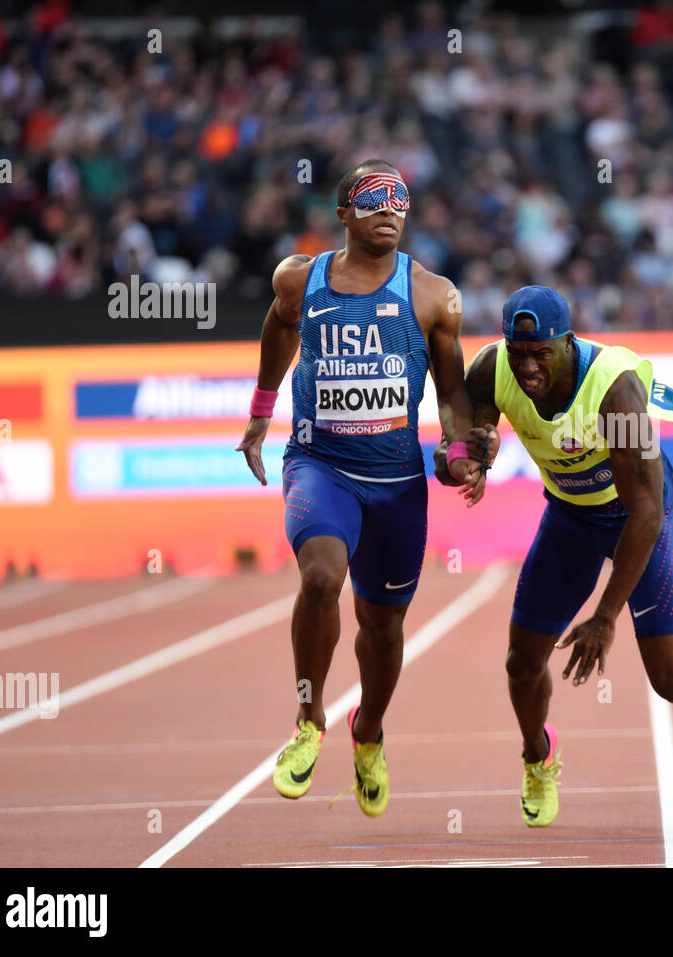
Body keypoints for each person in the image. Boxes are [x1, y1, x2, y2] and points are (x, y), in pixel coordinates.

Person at [454, 285, 673, 827]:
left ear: (567, 343)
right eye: (517, 354)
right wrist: (471, 454)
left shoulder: (613, 390)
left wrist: (605, 617)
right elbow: (469, 433)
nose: (526, 368)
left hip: (638, 517)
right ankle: (537, 757)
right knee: (521, 664)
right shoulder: (489, 369)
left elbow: (645, 511)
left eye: (539, 354)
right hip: (570, 517)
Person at [236, 160, 486, 817]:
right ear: (342, 214)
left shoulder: (434, 296)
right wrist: (262, 410)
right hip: (320, 467)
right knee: (320, 576)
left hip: (397, 484)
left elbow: (454, 392)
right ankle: (309, 716)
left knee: (381, 627)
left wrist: (459, 449)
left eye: (400, 198)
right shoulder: (299, 279)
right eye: (374, 197)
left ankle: (368, 729)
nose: (390, 207)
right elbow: (278, 330)